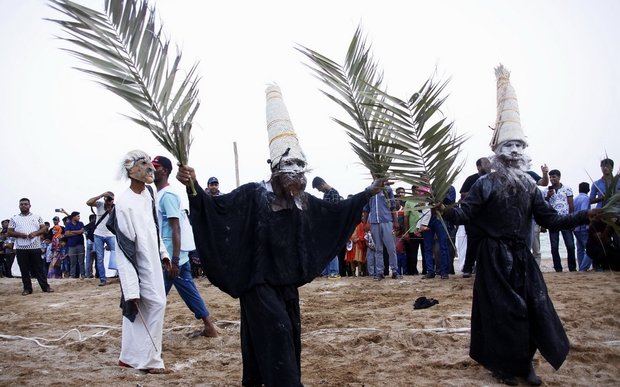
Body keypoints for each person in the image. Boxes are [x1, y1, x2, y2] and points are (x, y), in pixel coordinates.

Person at [176, 84, 384, 386]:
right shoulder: (252, 195)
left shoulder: (302, 202)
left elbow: (336, 213)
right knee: (277, 330)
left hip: (285, 285)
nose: (297, 175)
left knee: (282, 333)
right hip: (257, 283)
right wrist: (192, 185)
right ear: (273, 168)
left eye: (301, 168)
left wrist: (368, 192)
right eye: (289, 167)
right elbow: (214, 209)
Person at [442, 64, 596, 386]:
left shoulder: (529, 186)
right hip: (493, 257)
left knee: (530, 307)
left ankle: (523, 363)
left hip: (521, 257)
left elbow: (550, 220)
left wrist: (585, 216)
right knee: (503, 311)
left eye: (519, 146)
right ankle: (504, 364)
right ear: (497, 150)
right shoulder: (486, 183)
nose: (514, 151)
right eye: (508, 146)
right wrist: (444, 208)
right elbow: (464, 215)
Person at [112, 149, 169, 373]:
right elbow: (124, 248)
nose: (150, 167)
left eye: (149, 162)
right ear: (130, 169)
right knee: (155, 304)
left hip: (153, 259)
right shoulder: (123, 203)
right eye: (143, 163)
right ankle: (150, 361)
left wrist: (163, 253)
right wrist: (130, 287)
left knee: (145, 308)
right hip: (138, 264)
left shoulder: (149, 193)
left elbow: (154, 227)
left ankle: (128, 356)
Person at [152, 155, 218, 338]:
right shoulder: (159, 195)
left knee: (156, 297)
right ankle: (209, 327)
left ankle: (149, 331)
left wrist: (173, 260)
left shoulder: (168, 195)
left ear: (164, 170)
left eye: (155, 167)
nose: (152, 169)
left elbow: (176, 228)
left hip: (171, 258)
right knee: (188, 291)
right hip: (173, 256)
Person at [8, 198, 54, 295]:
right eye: (22, 204)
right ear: (19, 206)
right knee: (24, 269)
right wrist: (20, 235)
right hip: (21, 247)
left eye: (25, 204)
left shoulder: (37, 217)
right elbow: (9, 231)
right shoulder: (14, 218)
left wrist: (35, 233)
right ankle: (27, 289)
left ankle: (45, 287)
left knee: (39, 268)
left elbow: (44, 228)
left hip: (35, 246)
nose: (24, 206)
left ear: (29, 205)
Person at [459, 157, 490, 278]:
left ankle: (483, 268)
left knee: (488, 244)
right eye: (485, 164)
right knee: (472, 244)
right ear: (478, 167)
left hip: (489, 218)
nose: (488, 167)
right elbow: (462, 194)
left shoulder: (493, 179)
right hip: (472, 218)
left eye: (489, 164)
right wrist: (478, 193)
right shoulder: (471, 179)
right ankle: (468, 268)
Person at [364, 174, 400, 281]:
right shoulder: (369, 190)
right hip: (374, 222)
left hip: (387, 221)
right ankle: (379, 272)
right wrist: (365, 223)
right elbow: (366, 208)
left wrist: (395, 222)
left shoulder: (387, 190)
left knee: (391, 248)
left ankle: (394, 270)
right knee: (378, 249)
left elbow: (393, 206)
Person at [542, 169, 576, 272]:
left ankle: (572, 267)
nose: (552, 179)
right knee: (554, 246)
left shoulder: (567, 189)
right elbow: (544, 206)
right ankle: (558, 268)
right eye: (550, 177)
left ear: (559, 177)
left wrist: (572, 220)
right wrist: (548, 196)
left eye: (554, 177)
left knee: (570, 245)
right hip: (552, 220)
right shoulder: (545, 191)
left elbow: (571, 205)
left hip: (565, 219)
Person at [312, 176, 343, 279]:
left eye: (318, 188)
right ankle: (326, 271)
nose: (319, 190)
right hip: (326, 225)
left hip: (332, 225)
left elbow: (335, 209)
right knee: (326, 249)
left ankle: (334, 271)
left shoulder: (333, 193)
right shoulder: (326, 194)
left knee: (332, 249)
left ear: (322, 184)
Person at [86, 191, 117, 286]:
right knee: (99, 258)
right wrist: (101, 195)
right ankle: (102, 279)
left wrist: (109, 208)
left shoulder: (115, 207)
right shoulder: (100, 204)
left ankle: (119, 275)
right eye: (108, 199)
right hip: (98, 234)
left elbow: (115, 218)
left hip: (110, 234)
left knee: (116, 254)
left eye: (111, 199)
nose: (109, 201)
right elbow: (88, 202)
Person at [573, 182, 592, 271]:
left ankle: (581, 266)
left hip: (575, 226)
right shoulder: (586, 199)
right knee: (589, 248)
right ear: (588, 190)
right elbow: (584, 211)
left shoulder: (575, 199)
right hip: (583, 226)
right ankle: (583, 268)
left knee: (580, 248)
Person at [64, 211, 85, 278]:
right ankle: (72, 275)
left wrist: (72, 232)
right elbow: (66, 233)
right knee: (73, 262)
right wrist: (77, 232)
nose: (79, 217)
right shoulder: (68, 224)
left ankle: (83, 274)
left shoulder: (81, 223)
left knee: (81, 261)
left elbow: (81, 231)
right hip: (71, 245)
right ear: (73, 217)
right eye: (77, 216)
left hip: (80, 244)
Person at [83, 213, 97, 278]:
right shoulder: (96, 225)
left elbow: (86, 235)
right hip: (95, 243)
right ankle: (98, 273)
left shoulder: (86, 226)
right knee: (97, 259)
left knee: (88, 259)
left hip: (88, 242)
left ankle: (88, 273)